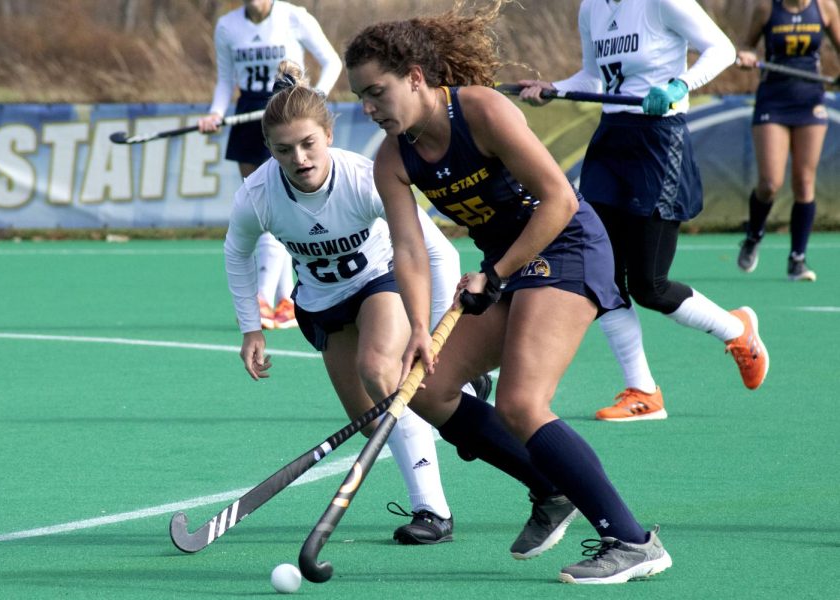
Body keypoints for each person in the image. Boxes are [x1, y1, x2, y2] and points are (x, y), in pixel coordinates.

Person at [344, 1, 671, 584]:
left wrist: (495, 275)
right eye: (361, 98)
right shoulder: (393, 158)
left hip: (567, 248)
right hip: (506, 266)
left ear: (415, 78)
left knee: (520, 403)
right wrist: (420, 327)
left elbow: (559, 201)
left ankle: (631, 540)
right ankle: (549, 486)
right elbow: (411, 251)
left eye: (377, 92)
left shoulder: (482, 111)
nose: (369, 109)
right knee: (425, 385)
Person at [224, 61, 488, 544]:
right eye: (284, 150)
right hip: (321, 305)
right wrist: (252, 328)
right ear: (269, 150)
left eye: (308, 144)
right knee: (374, 424)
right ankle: (466, 405)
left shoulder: (362, 178)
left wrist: (433, 338)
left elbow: (438, 252)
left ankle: (433, 513)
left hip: (378, 281)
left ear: (328, 133)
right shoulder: (257, 194)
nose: (300, 158)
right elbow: (236, 254)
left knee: (377, 370)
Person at [518, 0, 770, 422]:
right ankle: (643, 392)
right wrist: (554, 89)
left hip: (659, 141)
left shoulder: (662, 2)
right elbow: (592, 75)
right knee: (602, 276)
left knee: (649, 285)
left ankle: (737, 330)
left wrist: (678, 86)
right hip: (611, 142)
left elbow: (722, 49)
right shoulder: (591, 9)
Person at [202, 0, 343, 329]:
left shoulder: (294, 17)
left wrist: (314, 97)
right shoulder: (227, 26)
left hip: (285, 115)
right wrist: (215, 113)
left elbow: (331, 61)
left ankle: (263, 299)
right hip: (249, 114)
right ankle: (285, 301)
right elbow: (225, 81)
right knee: (259, 203)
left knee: (278, 205)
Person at [735, 0, 840, 282]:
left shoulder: (825, 8)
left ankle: (797, 259)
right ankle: (754, 234)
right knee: (770, 183)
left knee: (804, 181)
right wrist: (744, 56)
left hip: (810, 100)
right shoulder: (766, 8)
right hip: (773, 100)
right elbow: (746, 45)